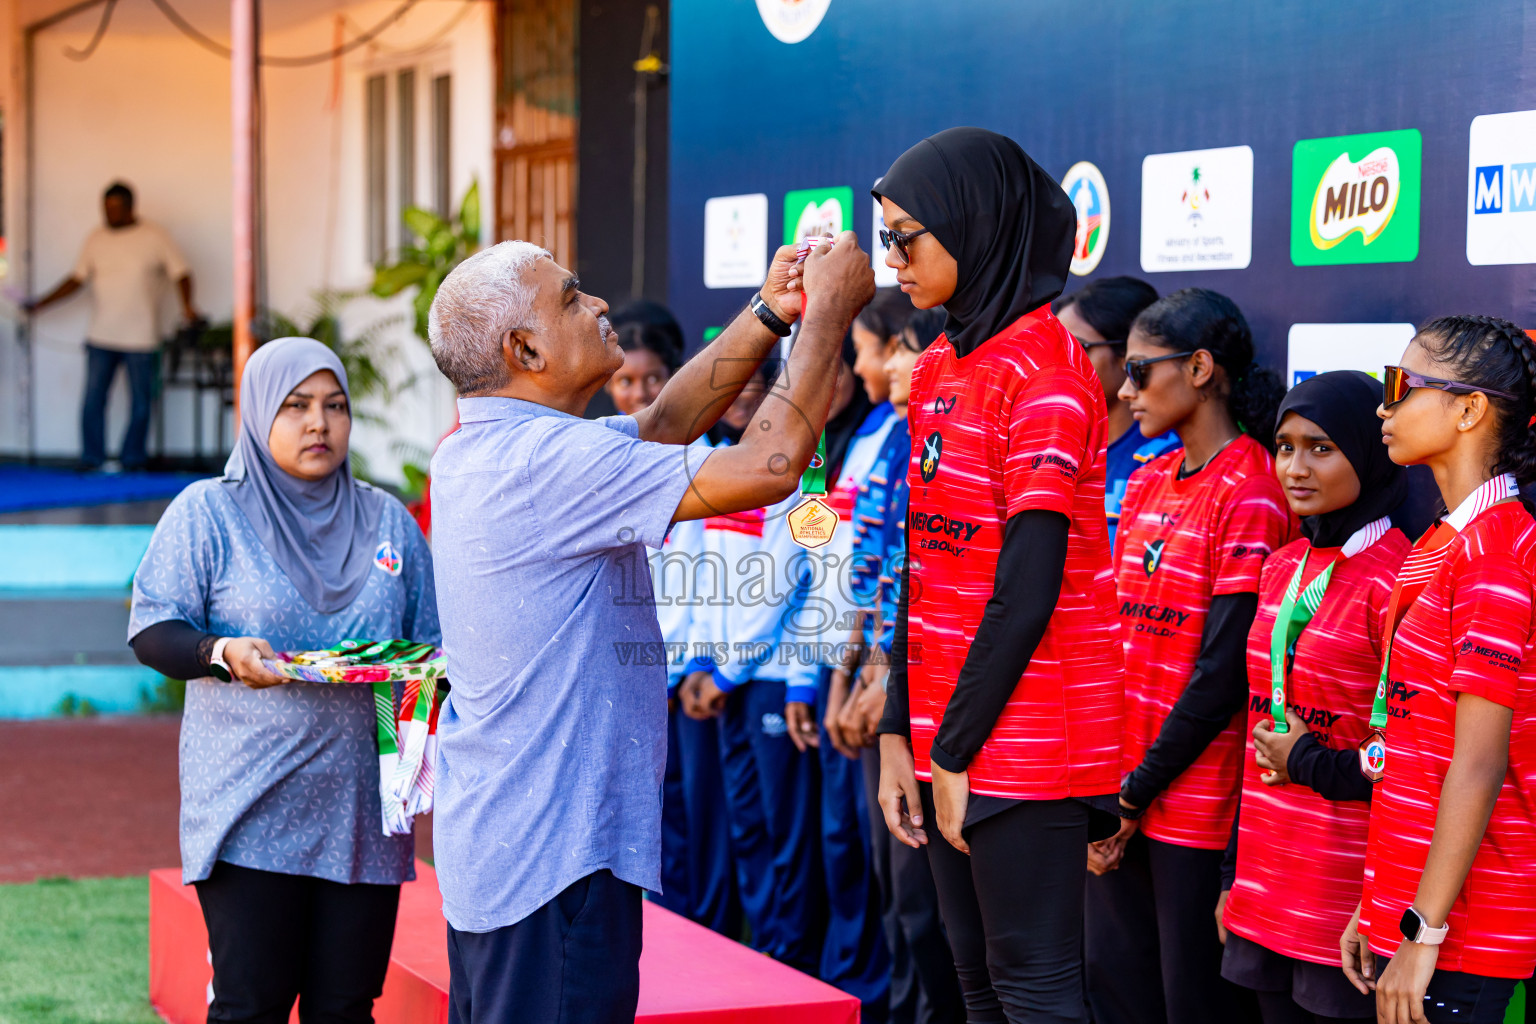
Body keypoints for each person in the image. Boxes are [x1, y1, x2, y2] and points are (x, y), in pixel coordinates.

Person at [426, 235, 875, 1024]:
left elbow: (668, 419)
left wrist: (770, 312)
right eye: (570, 297)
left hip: (522, 853)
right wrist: (826, 315)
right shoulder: (543, 462)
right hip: (553, 866)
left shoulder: (496, 446)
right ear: (523, 348)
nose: (599, 305)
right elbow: (771, 466)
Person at [872, 127, 1126, 1024]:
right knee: (975, 984)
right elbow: (924, 562)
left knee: (1036, 994)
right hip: (949, 731)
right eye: (886, 237)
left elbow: (1028, 590)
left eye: (908, 236)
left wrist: (952, 747)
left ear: (975, 230)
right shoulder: (940, 360)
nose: (891, 259)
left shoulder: (1050, 374)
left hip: (1029, 738)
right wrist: (900, 732)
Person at [126, 337, 439, 1024]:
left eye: (335, 406)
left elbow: (428, 654)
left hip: (362, 815)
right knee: (251, 1005)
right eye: (295, 406)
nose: (318, 425)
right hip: (249, 806)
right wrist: (220, 651)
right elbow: (153, 628)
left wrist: (416, 744)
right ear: (260, 410)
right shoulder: (209, 512)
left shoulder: (387, 519)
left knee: (346, 1007)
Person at [1085, 287, 1294, 1024]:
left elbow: (1224, 671)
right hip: (1119, 789)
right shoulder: (1143, 479)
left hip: (1191, 806)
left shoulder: (1255, 487)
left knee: (1190, 1005)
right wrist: (1109, 783)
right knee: (1117, 992)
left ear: (1201, 367)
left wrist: (1137, 790)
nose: (1123, 388)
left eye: (1140, 371)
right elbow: (1114, 638)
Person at [1341, 316, 1536, 1024]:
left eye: (1401, 386)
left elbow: (1478, 764)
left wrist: (1422, 932)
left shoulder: (1495, 556)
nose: (1382, 407)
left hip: (1467, 930)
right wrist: (1380, 903)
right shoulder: (1449, 540)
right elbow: (1413, 748)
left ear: (1468, 408)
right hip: (1424, 914)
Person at [1215, 371, 1411, 1024]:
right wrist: (1231, 877)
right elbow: (1257, 732)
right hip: (1266, 886)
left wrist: (1308, 763)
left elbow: (1408, 762)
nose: (1295, 467)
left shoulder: (1401, 581)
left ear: (1370, 449)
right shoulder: (1280, 566)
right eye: (1285, 445)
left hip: (1348, 901)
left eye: (1321, 447)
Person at [836, 306, 964, 1024]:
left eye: (894, 352)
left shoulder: (947, 434)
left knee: (929, 910)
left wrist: (885, 680)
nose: (875, 369)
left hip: (933, 697)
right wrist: (857, 676)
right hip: (892, 688)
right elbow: (879, 571)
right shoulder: (892, 436)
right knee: (901, 901)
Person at [26, 181, 198, 472]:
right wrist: (41, 303)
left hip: (142, 337)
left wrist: (188, 308)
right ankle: (92, 460)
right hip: (101, 335)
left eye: (116, 208)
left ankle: (132, 461)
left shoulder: (155, 236)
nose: (110, 214)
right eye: (106, 209)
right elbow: (77, 279)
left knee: (141, 404)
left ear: (131, 207)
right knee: (93, 401)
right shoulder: (96, 238)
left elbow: (181, 272)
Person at [1053, 277, 1179, 545]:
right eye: (1055, 348)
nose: (1059, 363)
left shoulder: (1165, 457)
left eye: (1077, 347)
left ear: (1128, 353)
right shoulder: (1050, 449)